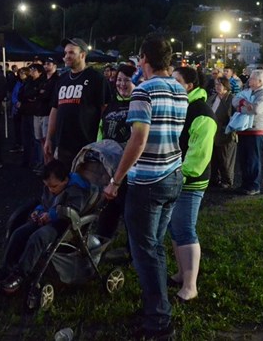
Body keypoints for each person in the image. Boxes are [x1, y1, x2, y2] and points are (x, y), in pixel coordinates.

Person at [102, 36, 187, 340]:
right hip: (173, 175)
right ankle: (158, 308)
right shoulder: (180, 90)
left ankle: (159, 323)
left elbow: (137, 140)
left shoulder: (144, 90)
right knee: (154, 247)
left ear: (144, 59)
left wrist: (115, 180)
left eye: (139, 59)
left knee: (145, 253)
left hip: (148, 182)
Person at [0, 159, 93, 293]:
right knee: (19, 233)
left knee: (37, 237)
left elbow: (72, 210)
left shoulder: (76, 190)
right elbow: (44, 202)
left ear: (65, 180)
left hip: (64, 225)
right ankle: (5, 268)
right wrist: (37, 211)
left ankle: (20, 274)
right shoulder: (50, 187)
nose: (51, 190)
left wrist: (51, 215)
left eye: (54, 187)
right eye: (48, 186)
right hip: (45, 219)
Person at [168, 67, 216, 303]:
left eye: (176, 81)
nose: (171, 84)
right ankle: (181, 273)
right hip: (175, 176)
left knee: (185, 228)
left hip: (190, 181)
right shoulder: (180, 106)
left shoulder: (201, 112)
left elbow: (199, 155)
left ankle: (190, 286)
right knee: (174, 227)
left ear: (189, 85)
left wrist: (181, 175)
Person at [45, 38, 112, 166]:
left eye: (71, 53)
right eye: (65, 53)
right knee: (63, 177)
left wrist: (102, 142)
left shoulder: (96, 78)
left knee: (83, 178)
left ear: (82, 55)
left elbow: (105, 110)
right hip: (63, 144)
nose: (67, 56)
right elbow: (55, 109)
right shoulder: (62, 79)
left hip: (87, 145)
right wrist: (49, 138)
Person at [94, 64, 137, 239]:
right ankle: (101, 243)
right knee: (107, 209)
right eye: (119, 79)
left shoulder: (139, 103)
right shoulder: (112, 103)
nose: (122, 84)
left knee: (130, 211)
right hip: (109, 165)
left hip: (130, 167)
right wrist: (99, 151)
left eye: (127, 80)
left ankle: (132, 248)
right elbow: (101, 129)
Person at [233, 69, 263, 195]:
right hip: (243, 129)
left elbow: (256, 109)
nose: (249, 80)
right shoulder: (248, 91)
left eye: (252, 78)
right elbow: (235, 101)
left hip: (255, 130)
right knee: (244, 159)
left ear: (260, 81)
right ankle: (245, 184)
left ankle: (254, 185)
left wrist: (240, 109)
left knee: (253, 159)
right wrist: (244, 104)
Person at [207, 77, 236, 189]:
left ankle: (227, 181)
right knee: (213, 158)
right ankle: (214, 178)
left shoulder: (231, 99)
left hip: (225, 133)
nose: (217, 87)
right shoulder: (212, 98)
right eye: (216, 84)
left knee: (225, 159)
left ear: (226, 86)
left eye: (220, 84)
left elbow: (234, 116)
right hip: (212, 132)